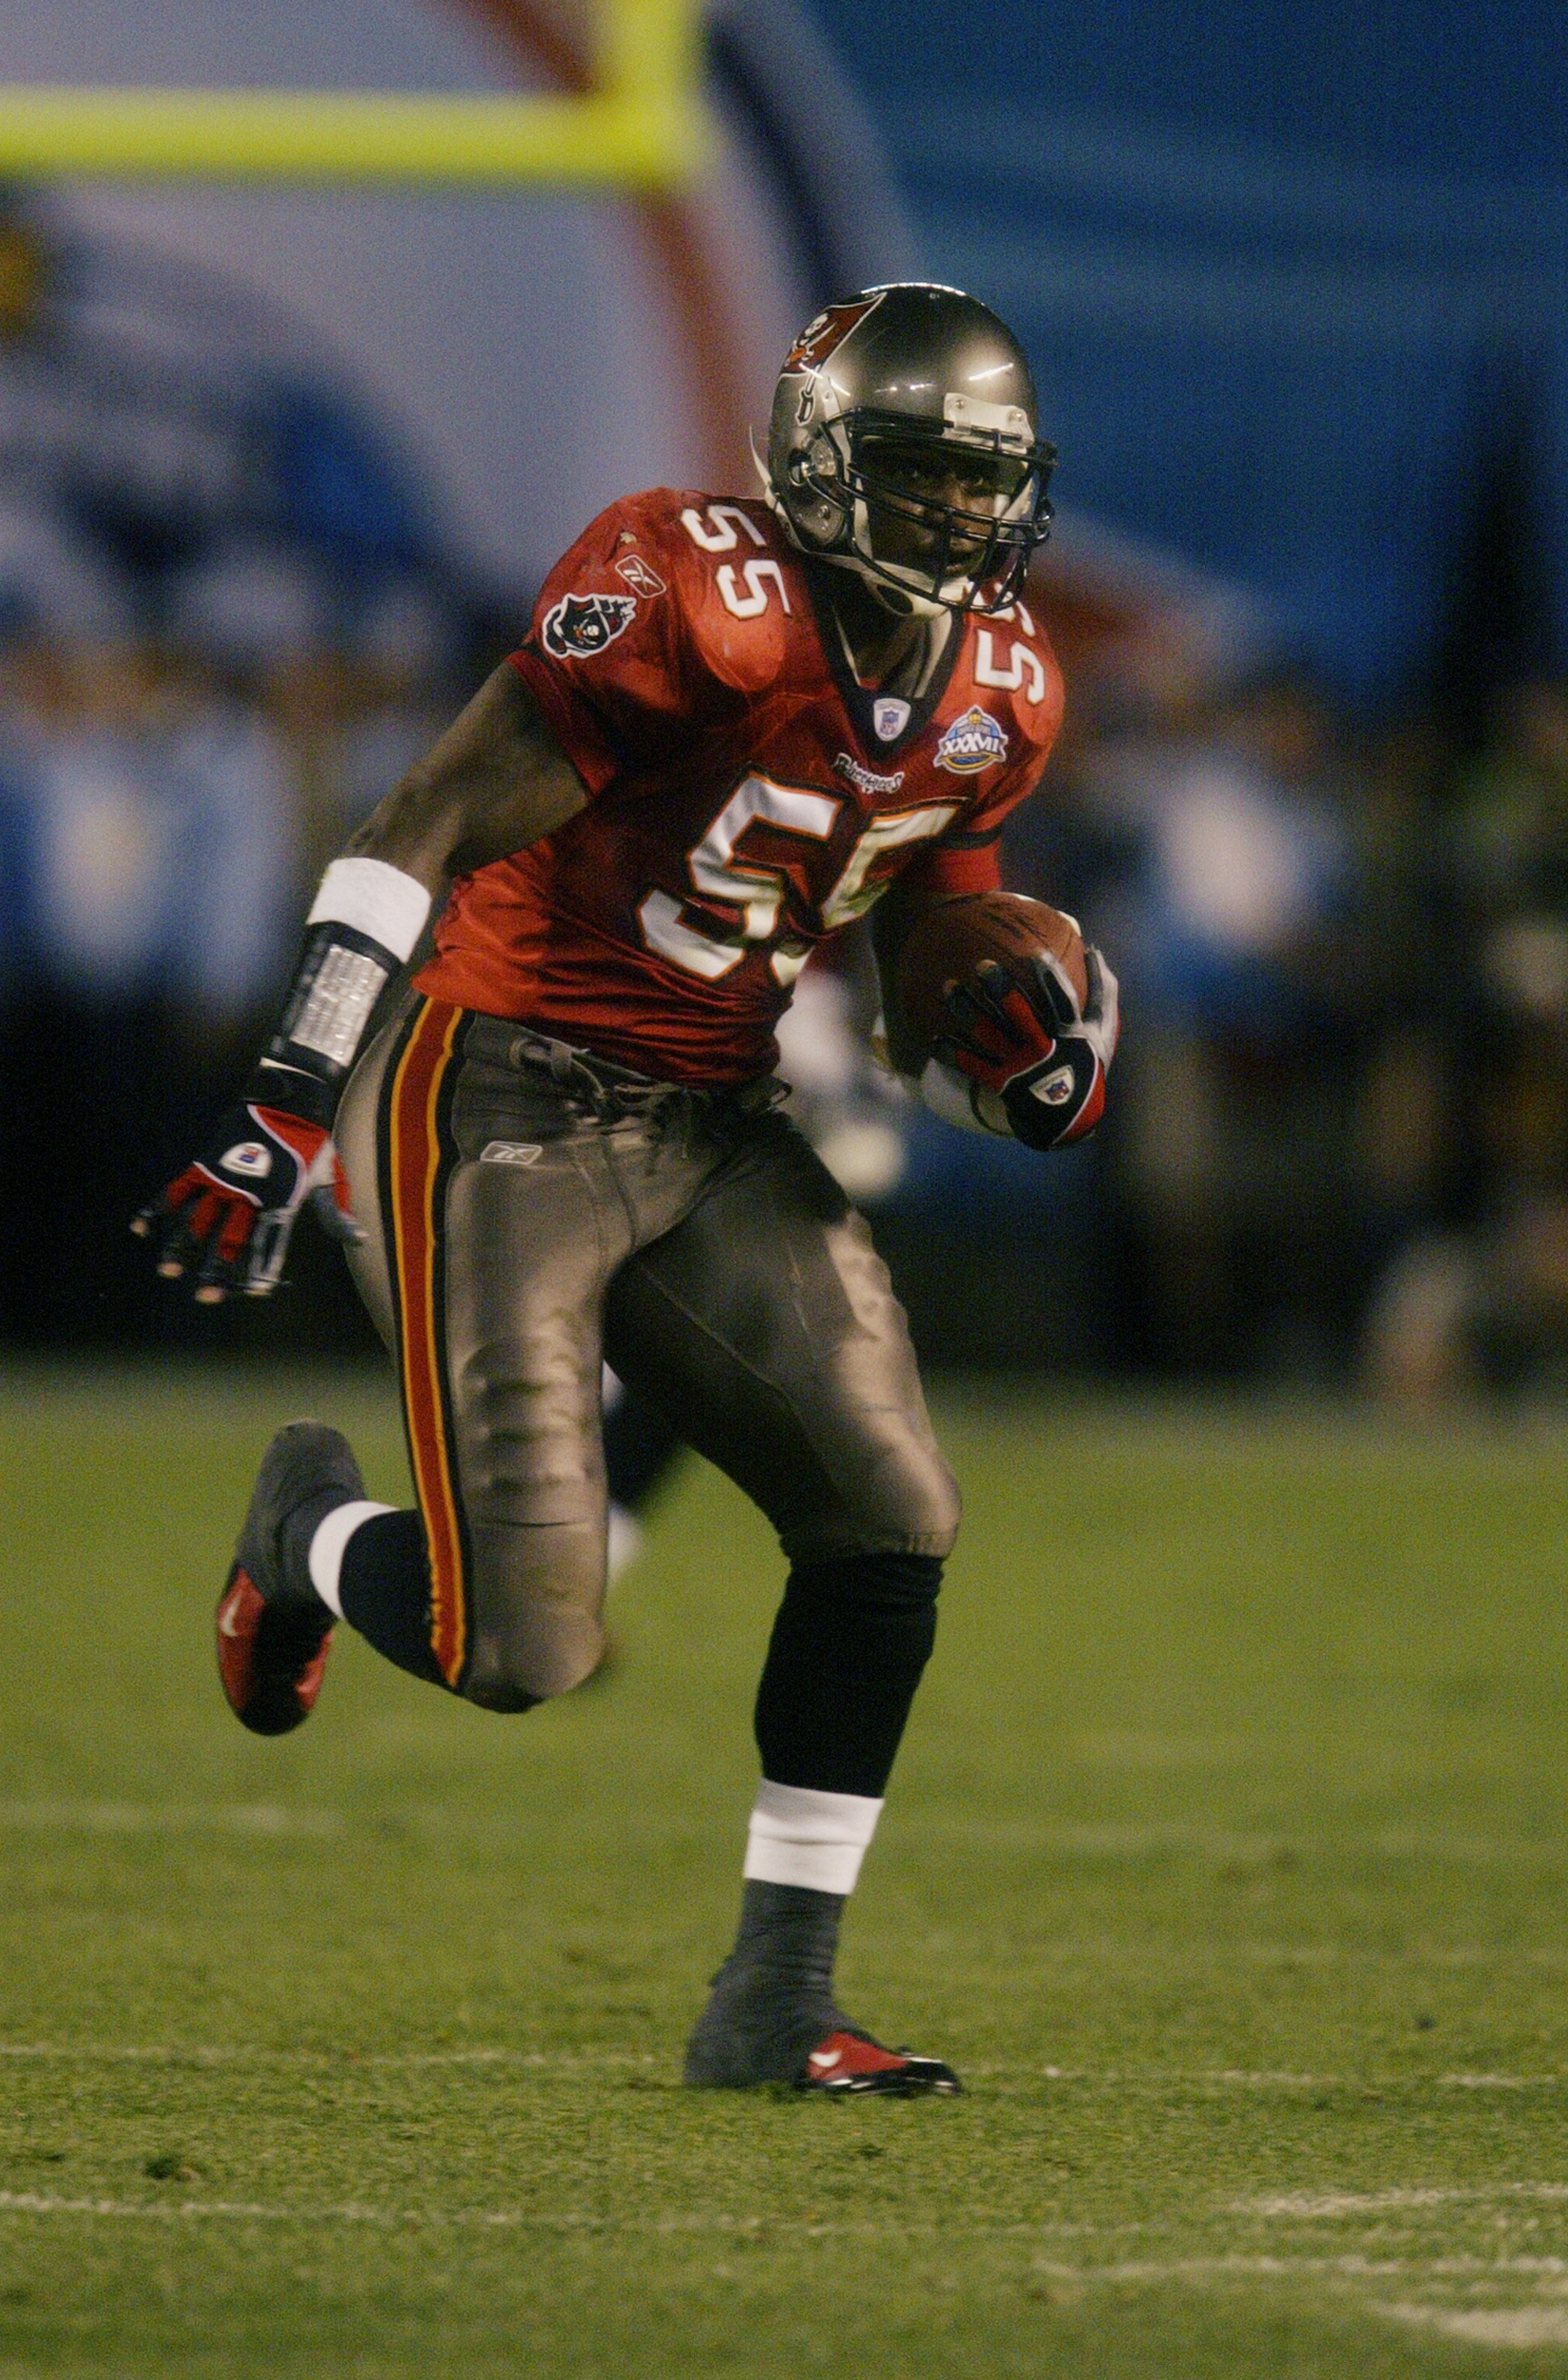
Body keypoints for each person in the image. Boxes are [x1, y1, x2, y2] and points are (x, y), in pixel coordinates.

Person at [134, 283, 1118, 2094]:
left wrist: (1020, 1052)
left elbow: (920, 958)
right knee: (520, 1645)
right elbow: (422, 820)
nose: (957, 511)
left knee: (888, 1513)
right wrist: (286, 1093)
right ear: (816, 463)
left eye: (982, 478)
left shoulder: (1002, 686)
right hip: (497, 1088)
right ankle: (304, 1533)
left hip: (714, 1109)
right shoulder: (690, 591)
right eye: (917, 471)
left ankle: (774, 1998)